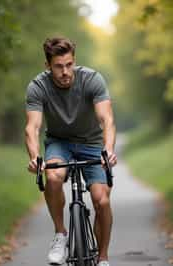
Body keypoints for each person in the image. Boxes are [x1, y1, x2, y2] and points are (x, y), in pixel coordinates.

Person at [25, 37, 117, 266]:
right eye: (58, 66)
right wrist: (35, 157)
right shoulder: (38, 86)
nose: (65, 72)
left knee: (102, 201)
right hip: (59, 142)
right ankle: (60, 234)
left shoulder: (92, 79)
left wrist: (108, 149)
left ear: (74, 61)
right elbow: (32, 127)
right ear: (48, 66)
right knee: (53, 177)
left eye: (69, 64)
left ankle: (103, 258)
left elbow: (107, 119)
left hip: (93, 143)